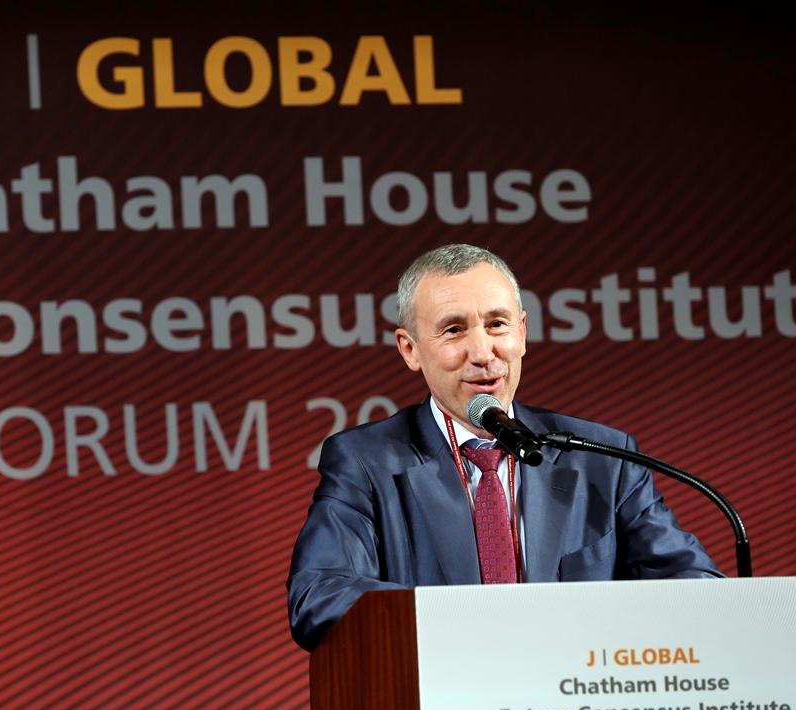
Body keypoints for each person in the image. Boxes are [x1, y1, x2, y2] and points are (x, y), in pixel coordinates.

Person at [287, 243, 722, 652]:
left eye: (497, 324)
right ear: (410, 349)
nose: (483, 352)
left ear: (523, 332)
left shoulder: (602, 458)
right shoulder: (366, 463)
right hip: (444, 696)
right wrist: (484, 629)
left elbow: (696, 586)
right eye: (453, 330)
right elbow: (319, 596)